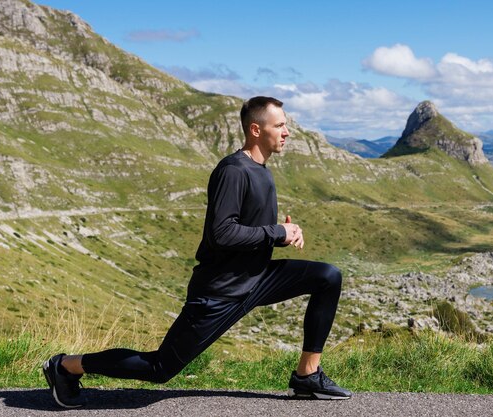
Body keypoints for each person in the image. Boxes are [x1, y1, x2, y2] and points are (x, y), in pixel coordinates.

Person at [43, 96, 352, 408]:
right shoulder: (233, 170)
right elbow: (222, 234)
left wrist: (281, 235)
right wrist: (275, 232)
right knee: (159, 369)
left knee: (327, 276)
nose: (287, 132)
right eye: (280, 125)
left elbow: (247, 227)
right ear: (256, 130)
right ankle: (66, 366)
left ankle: (307, 375)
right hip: (219, 292)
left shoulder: (262, 170)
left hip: (256, 279)